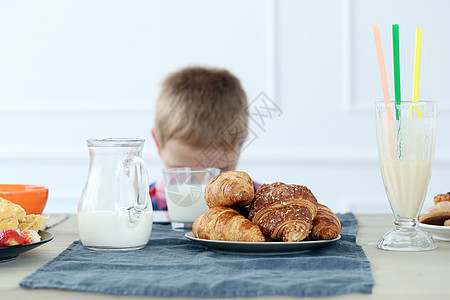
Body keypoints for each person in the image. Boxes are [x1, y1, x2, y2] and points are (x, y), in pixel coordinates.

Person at [150, 66, 258, 210]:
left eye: (218, 173)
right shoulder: (137, 208)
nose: (202, 190)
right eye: (183, 173)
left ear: (241, 143)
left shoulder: (264, 206)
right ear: (158, 143)